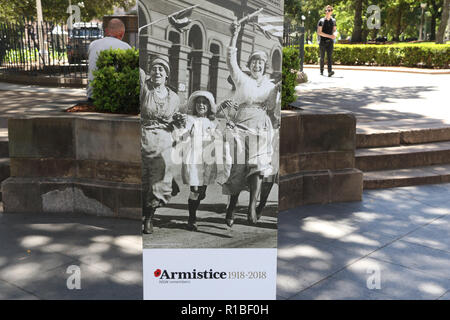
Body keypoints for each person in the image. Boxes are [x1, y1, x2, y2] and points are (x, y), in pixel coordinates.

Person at [221, 20, 279, 227]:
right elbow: (230, 59)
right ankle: (232, 205)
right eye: (254, 62)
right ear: (250, 64)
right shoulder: (241, 79)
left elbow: (272, 106)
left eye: (261, 63)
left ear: (265, 67)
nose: (257, 65)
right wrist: (235, 34)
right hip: (240, 126)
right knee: (238, 169)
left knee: (258, 167)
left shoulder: (270, 85)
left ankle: (252, 206)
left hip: (261, 126)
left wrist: (278, 91)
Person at [140, 56, 185, 234]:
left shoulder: (174, 97)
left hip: (165, 140)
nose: (157, 71)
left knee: (157, 183)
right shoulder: (144, 90)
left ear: (167, 75)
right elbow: (139, 72)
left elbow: (176, 121)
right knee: (144, 180)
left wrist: (178, 121)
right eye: (154, 68)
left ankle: (149, 218)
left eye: (161, 69)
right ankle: (144, 210)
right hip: (144, 136)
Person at [179, 91, 218, 231]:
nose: (201, 105)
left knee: (201, 192)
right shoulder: (189, 119)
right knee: (194, 189)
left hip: (208, 159)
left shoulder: (213, 122)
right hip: (193, 158)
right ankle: (192, 218)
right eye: (198, 102)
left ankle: (198, 198)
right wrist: (181, 129)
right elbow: (183, 134)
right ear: (194, 105)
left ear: (209, 106)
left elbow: (218, 139)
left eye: (204, 102)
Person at [87, 18, 131, 101]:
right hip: (115, 97)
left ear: (106, 31)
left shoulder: (93, 44)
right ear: (122, 34)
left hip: (92, 95)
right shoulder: (126, 47)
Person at [317, 5, 337, 77]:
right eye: (326, 10)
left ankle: (329, 71)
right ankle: (321, 70)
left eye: (329, 10)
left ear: (331, 12)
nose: (327, 12)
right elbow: (319, 32)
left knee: (329, 57)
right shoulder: (321, 21)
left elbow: (334, 30)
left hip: (330, 42)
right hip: (322, 41)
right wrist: (330, 36)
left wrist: (335, 34)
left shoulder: (333, 21)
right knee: (322, 57)